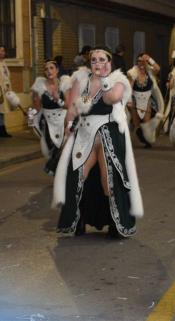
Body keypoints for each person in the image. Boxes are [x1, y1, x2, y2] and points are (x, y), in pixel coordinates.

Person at [52, 47, 143, 237]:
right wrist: (68, 126)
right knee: (76, 176)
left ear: (109, 62)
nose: (97, 63)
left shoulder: (118, 80)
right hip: (85, 133)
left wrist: (104, 80)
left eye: (102, 59)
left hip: (107, 132)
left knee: (108, 179)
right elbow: (75, 106)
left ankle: (115, 222)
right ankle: (79, 219)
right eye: (93, 60)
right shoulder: (82, 80)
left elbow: (112, 98)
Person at [29, 59, 71, 175]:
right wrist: (30, 116)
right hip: (48, 123)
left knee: (63, 151)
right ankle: (58, 174)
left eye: (51, 68)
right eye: (46, 69)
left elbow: (69, 105)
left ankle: (61, 175)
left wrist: (58, 99)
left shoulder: (64, 85)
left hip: (63, 122)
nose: (48, 71)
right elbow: (36, 108)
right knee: (50, 152)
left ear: (57, 70)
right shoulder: (40, 87)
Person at [127, 53, 163, 148]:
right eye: (139, 61)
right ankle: (142, 138)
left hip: (147, 100)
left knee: (146, 122)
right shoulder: (132, 73)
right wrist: (129, 101)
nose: (141, 63)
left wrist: (150, 59)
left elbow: (158, 68)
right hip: (135, 100)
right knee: (137, 124)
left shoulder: (150, 71)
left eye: (143, 61)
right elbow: (129, 87)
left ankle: (148, 139)